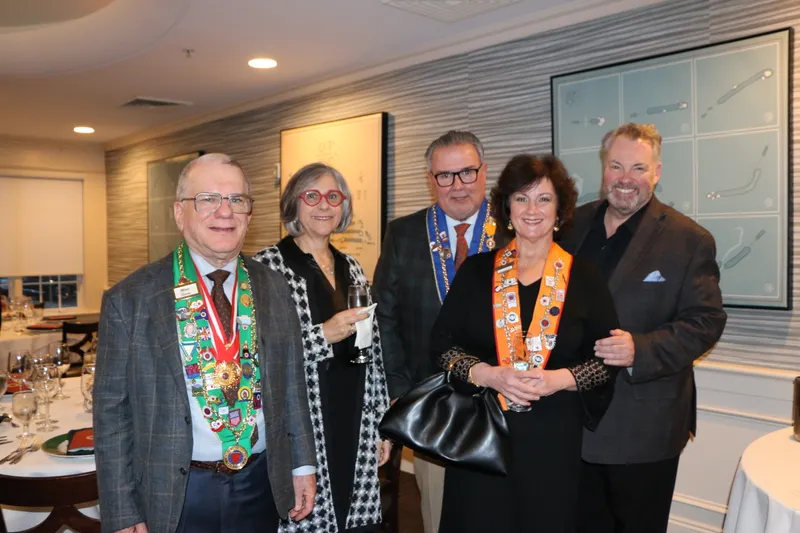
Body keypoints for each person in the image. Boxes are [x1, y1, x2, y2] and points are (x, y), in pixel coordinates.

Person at [94, 153, 317, 533]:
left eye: (236, 200)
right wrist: (123, 510)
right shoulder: (129, 299)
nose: (224, 212)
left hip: (260, 481)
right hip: (176, 491)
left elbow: (292, 385)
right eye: (208, 199)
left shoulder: (275, 287)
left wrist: (302, 465)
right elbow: (112, 414)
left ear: (249, 213)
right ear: (180, 212)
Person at [431, 153, 620, 533]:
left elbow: (605, 362)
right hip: (482, 436)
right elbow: (441, 348)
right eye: (521, 198)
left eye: (544, 199)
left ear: (561, 209)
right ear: (506, 208)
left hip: (553, 442)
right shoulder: (477, 271)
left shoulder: (585, 277)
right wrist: (489, 375)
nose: (532, 210)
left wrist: (558, 379)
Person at [558, 123, 727, 533]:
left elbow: (706, 321)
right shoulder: (569, 226)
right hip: (570, 422)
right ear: (604, 167)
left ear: (657, 171)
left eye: (638, 167)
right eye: (616, 166)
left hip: (644, 430)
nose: (626, 179)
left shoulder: (690, 240)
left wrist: (642, 348)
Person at [373, 130, 500, 533]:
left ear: (484, 171)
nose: (457, 185)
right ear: (431, 179)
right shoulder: (405, 233)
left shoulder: (516, 229)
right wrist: (398, 387)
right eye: (445, 176)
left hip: (504, 400)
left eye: (467, 172)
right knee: (441, 517)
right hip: (434, 405)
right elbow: (384, 317)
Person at [254, 162, 391, 533]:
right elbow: (255, 355)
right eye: (311, 196)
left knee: (356, 518)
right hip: (303, 419)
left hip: (355, 414)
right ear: (293, 204)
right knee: (309, 519)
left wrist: (381, 426)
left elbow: (373, 354)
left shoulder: (354, 268)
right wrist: (321, 336)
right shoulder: (266, 269)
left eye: (333, 196)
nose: (323, 205)